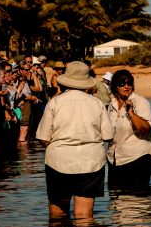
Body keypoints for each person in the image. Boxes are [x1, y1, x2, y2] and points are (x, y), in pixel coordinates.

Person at [36, 61, 114, 218]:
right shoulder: (97, 103)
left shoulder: (55, 102)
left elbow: (42, 136)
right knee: (84, 215)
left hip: (59, 161)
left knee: (57, 212)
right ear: (86, 82)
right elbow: (108, 136)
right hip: (91, 162)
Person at [107, 69, 151, 189]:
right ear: (115, 86)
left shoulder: (141, 102)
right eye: (122, 83)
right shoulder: (111, 105)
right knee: (116, 201)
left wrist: (131, 113)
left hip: (138, 158)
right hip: (115, 160)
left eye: (129, 83)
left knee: (137, 203)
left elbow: (146, 130)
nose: (126, 86)